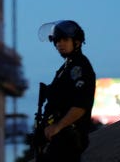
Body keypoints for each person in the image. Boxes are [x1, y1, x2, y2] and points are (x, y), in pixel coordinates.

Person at [38, 20, 96, 162]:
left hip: (68, 138)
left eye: (64, 40)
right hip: (57, 139)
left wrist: (58, 126)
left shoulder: (79, 67)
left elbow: (81, 105)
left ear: (77, 42)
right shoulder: (66, 67)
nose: (59, 44)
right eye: (57, 40)